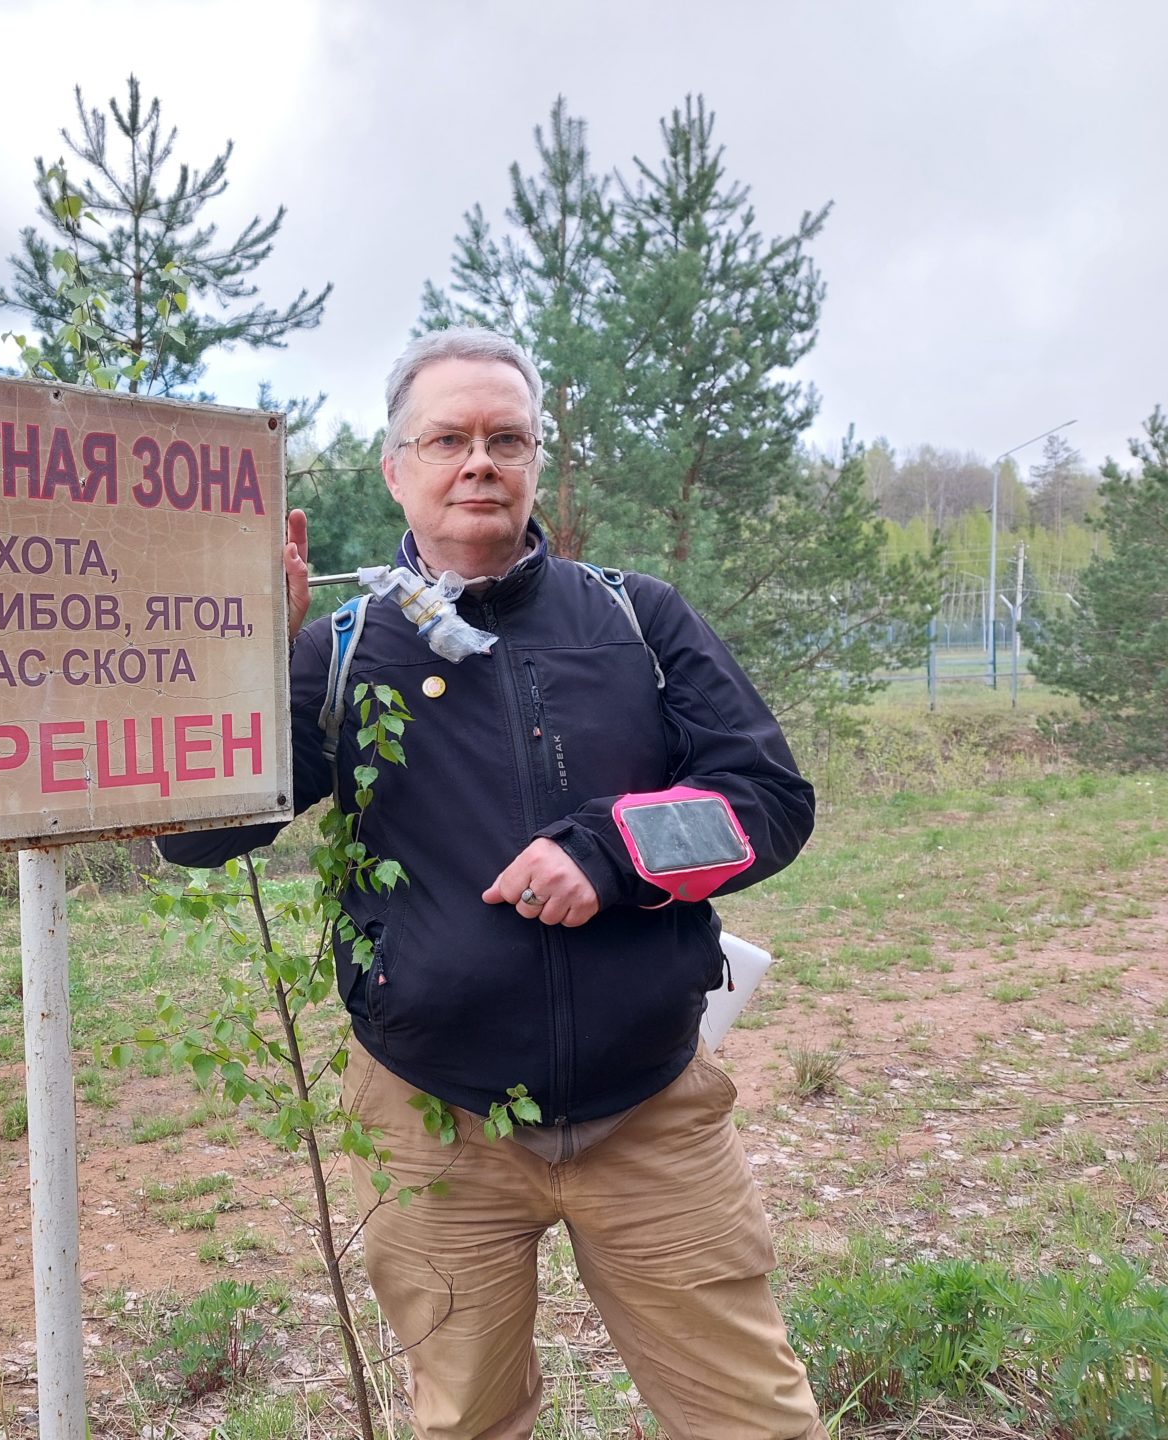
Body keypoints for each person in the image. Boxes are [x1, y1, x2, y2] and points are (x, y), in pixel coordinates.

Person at [158, 327, 827, 1440]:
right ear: (396, 469)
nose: (480, 462)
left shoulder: (635, 621)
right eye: (449, 439)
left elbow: (768, 799)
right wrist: (248, 665)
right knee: (466, 1422)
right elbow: (196, 841)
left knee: (753, 1421)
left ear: (534, 461)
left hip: (652, 1111)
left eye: (505, 438)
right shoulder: (345, 646)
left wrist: (610, 855)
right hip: (433, 1121)